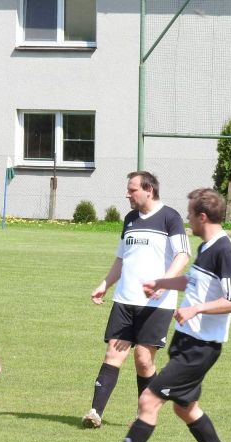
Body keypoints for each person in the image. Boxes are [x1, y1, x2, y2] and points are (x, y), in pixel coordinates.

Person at [84, 188, 231, 442]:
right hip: (187, 343)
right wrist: (163, 282)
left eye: (190, 215)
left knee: (148, 401)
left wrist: (196, 309)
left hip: (201, 348)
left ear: (202, 216)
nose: (187, 220)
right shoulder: (208, 247)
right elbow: (193, 280)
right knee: (186, 409)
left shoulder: (226, 250)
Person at [82, 171, 190, 428]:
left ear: (148, 190)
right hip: (125, 301)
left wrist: (164, 282)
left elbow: (183, 255)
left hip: (156, 304)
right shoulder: (130, 219)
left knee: (143, 360)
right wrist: (105, 284)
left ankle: (146, 414)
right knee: (112, 354)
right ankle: (94, 413)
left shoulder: (170, 217)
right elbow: (122, 258)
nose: (127, 194)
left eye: (132, 190)